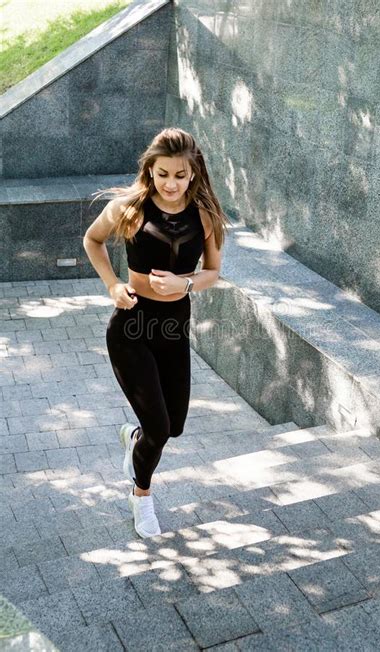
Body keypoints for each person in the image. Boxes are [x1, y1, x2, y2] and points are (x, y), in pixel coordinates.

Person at [83, 127, 230, 538]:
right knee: (161, 430)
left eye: (179, 175)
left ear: (194, 173)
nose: (170, 183)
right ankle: (141, 495)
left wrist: (183, 285)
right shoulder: (129, 207)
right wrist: (113, 285)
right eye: (162, 173)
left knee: (173, 426)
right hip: (131, 328)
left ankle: (135, 437)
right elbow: (92, 241)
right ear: (150, 170)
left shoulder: (205, 216)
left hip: (172, 328)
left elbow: (213, 272)